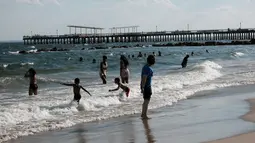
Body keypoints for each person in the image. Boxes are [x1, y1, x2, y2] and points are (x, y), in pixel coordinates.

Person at [141, 55, 155, 119]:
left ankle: (142, 113)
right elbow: (144, 78)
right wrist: (143, 87)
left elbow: (143, 78)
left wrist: (141, 86)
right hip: (147, 86)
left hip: (145, 86)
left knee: (145, 100)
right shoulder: (148, 68)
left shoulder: (145, 67)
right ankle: (144, 115)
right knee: (147, 101)